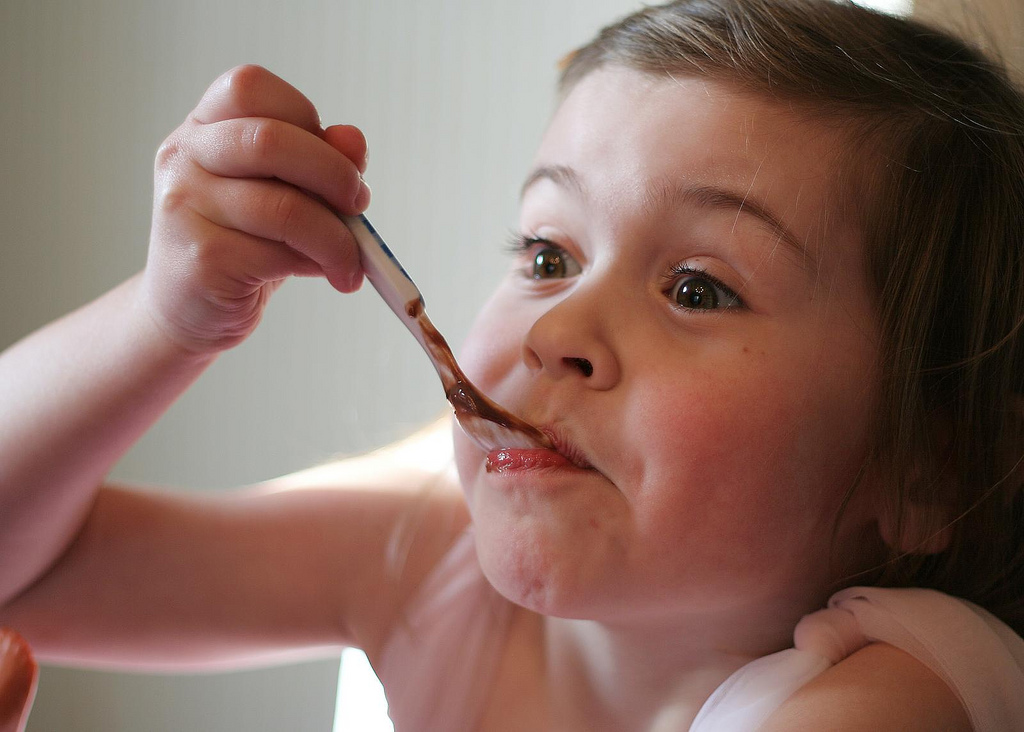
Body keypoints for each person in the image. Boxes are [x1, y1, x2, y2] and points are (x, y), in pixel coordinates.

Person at [2, 0, 1023, 728]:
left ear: (927, 471)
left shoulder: (886, 694)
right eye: (548, 256)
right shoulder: (422, 554)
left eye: (697, 288)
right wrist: (163, 322)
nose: (554, 329)